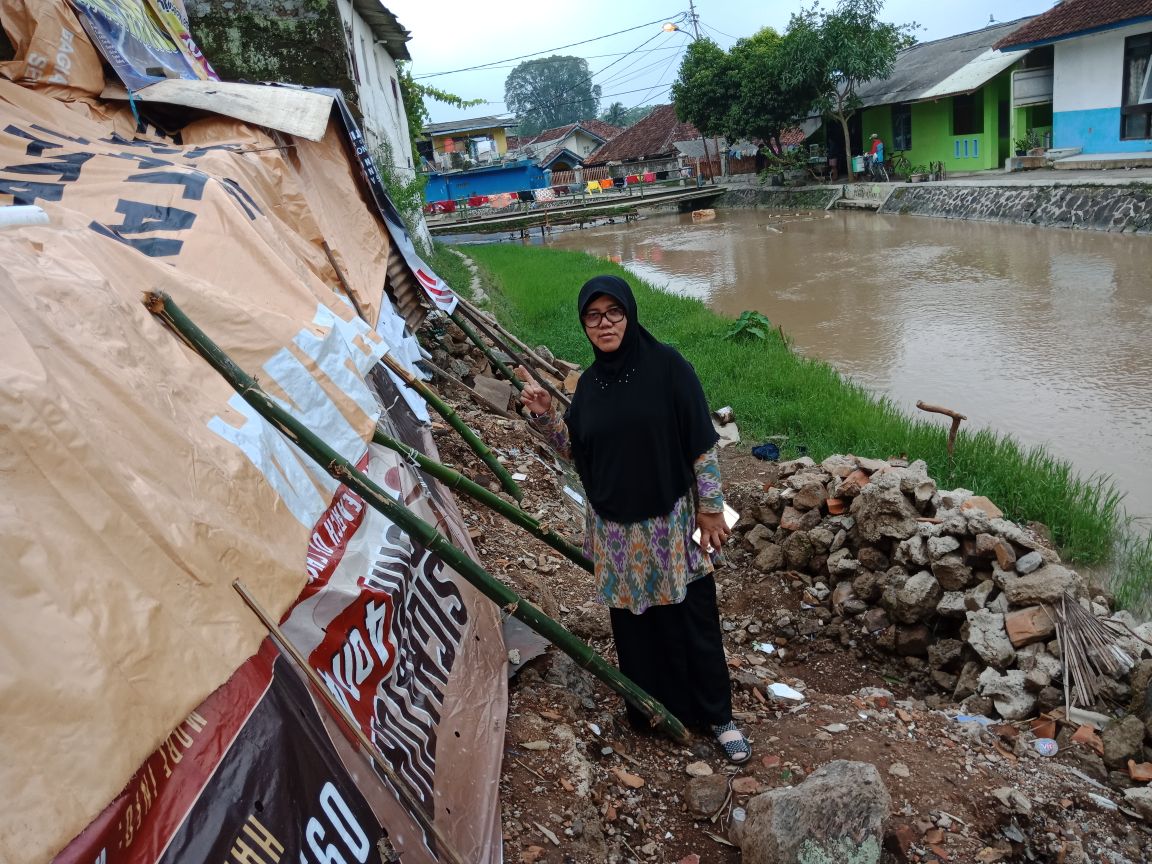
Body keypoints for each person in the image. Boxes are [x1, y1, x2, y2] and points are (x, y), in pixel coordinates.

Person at [516, 274, 751, 764]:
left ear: (629, 313)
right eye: (593, 316)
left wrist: (710, 509)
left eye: (613, 312)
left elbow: (702, 447)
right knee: (635, 627)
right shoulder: (590, 385)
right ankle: (653, 711)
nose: (604, 324)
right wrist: (544, 417)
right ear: (584, 324)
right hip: (616, 533)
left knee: (693, 618)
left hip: (671, 525)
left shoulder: (669, 367)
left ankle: (719, 716)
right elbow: (579, 455)